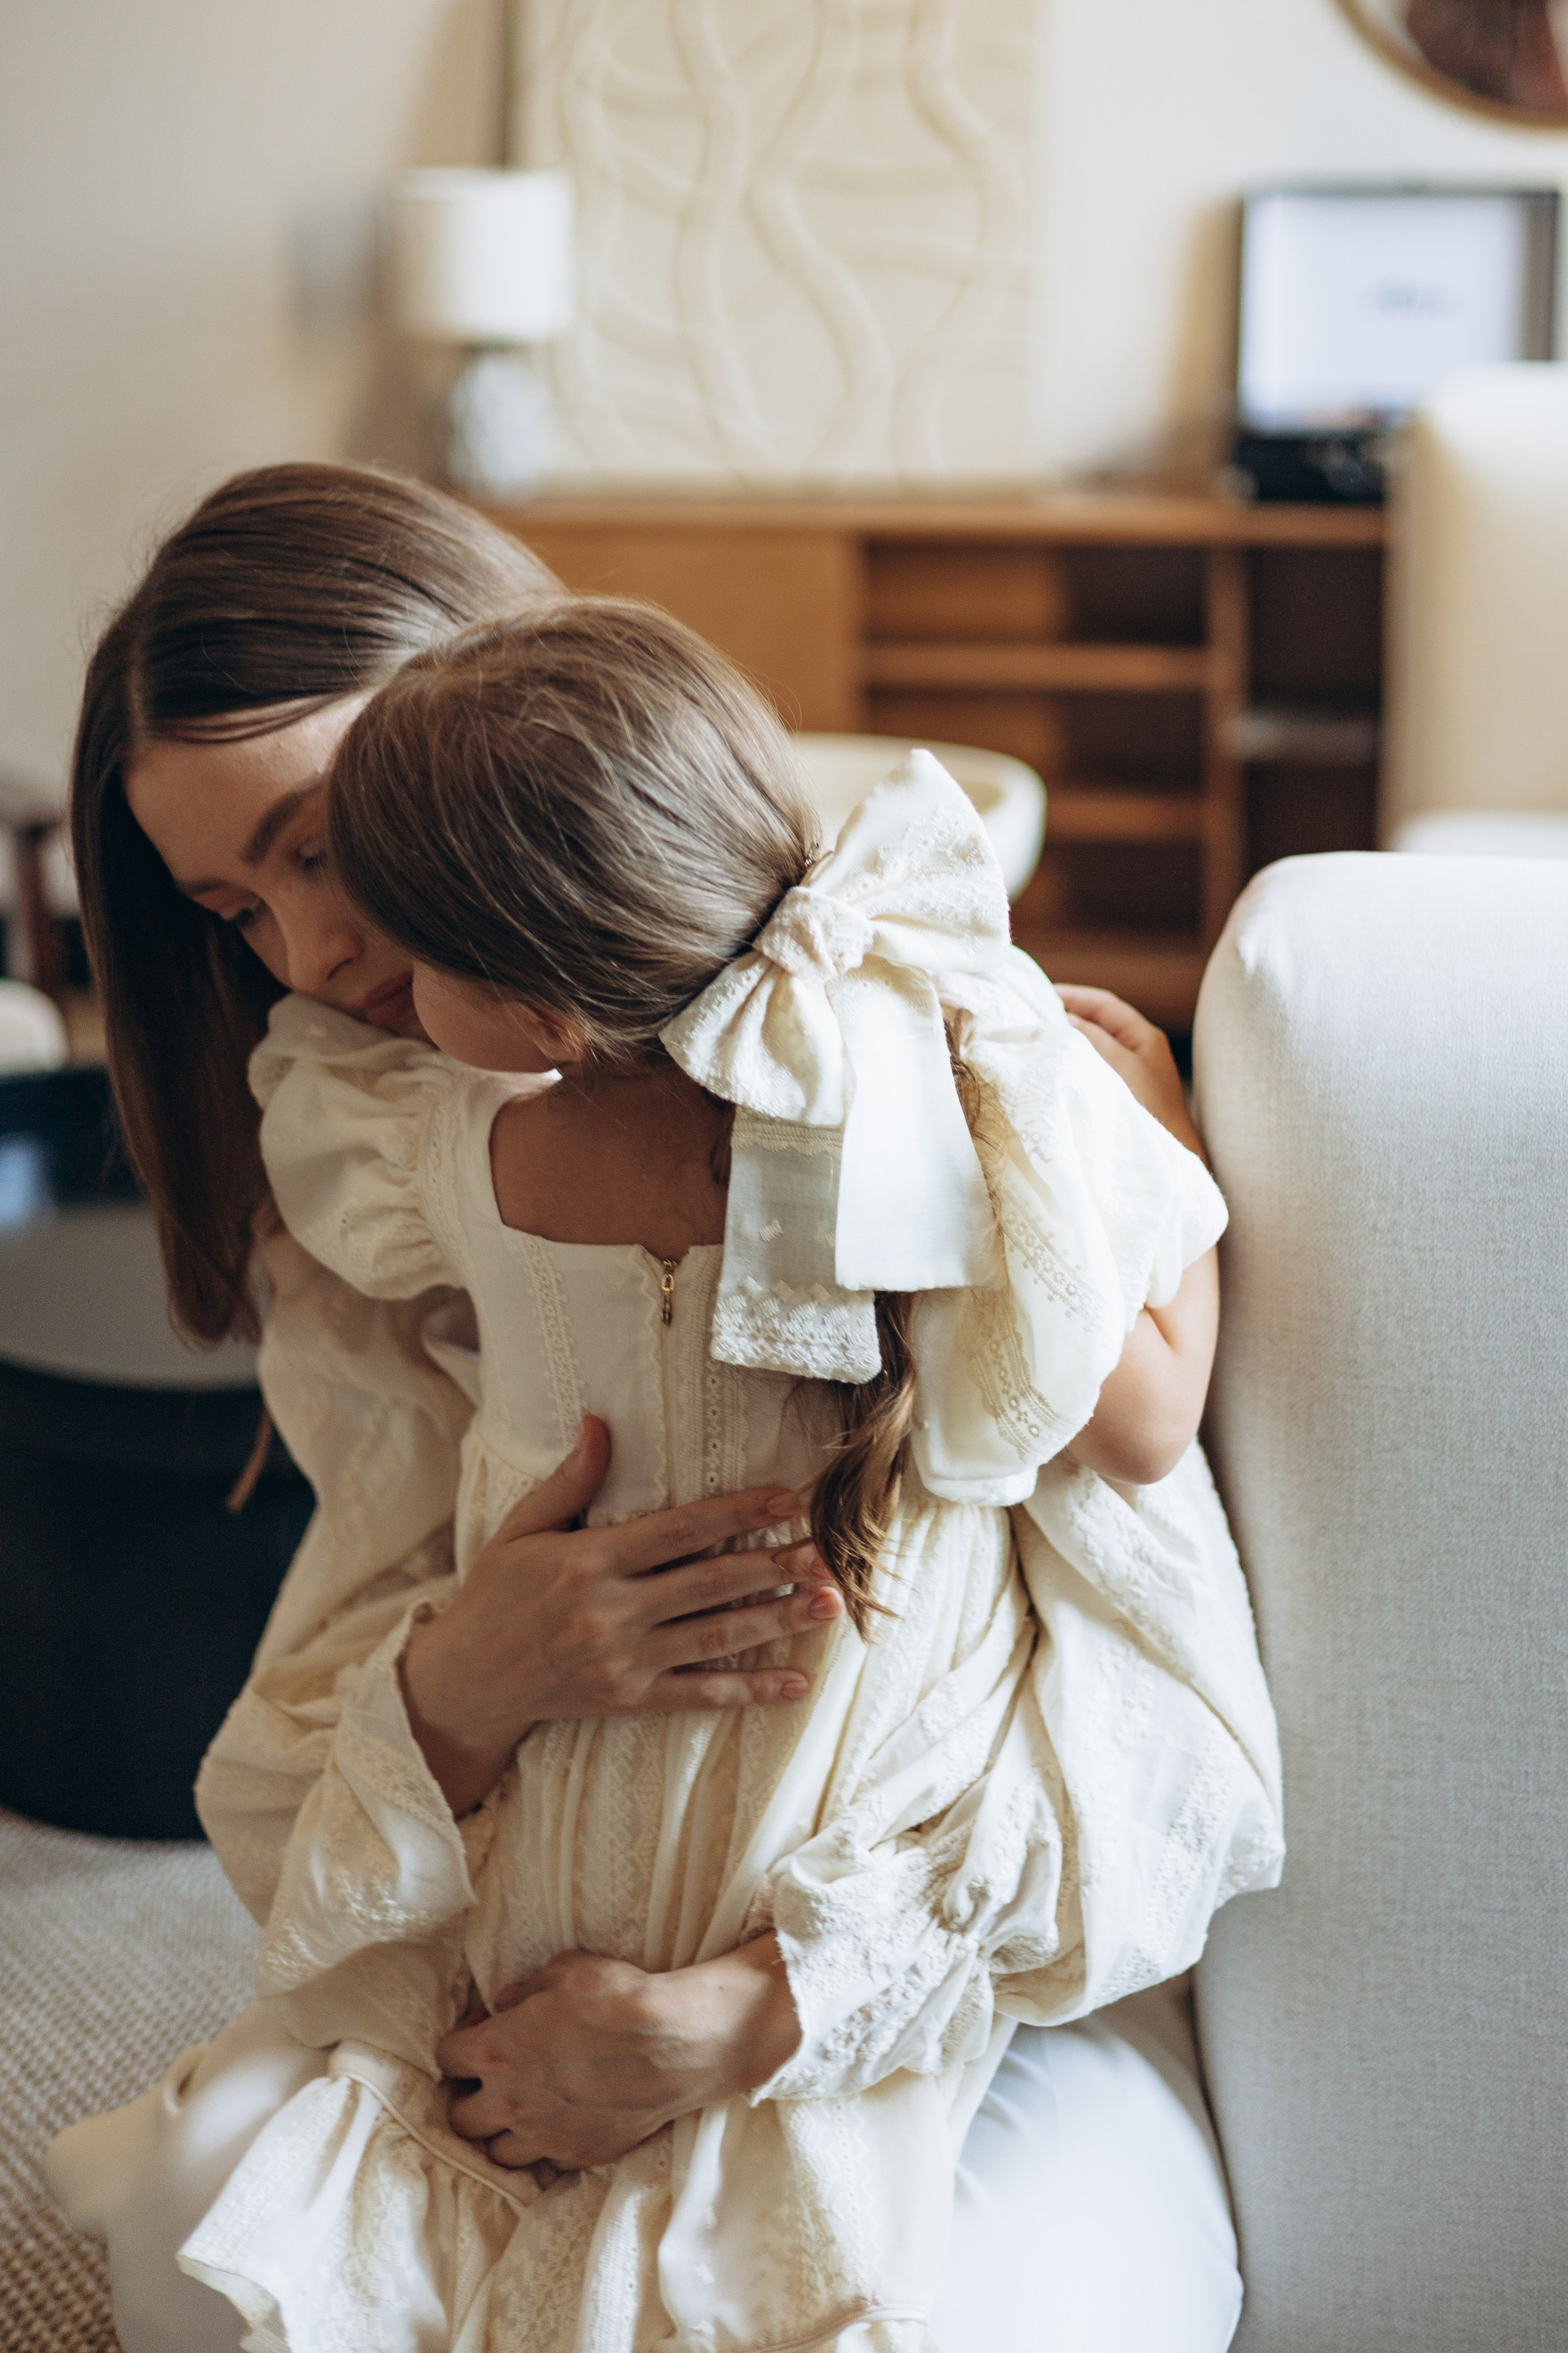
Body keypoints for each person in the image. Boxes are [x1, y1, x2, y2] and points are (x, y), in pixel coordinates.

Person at [45, 465, 1277, 2353]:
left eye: (317, 845)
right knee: (214, 2232)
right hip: (557, 1898)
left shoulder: (891, 1058)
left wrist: (753, 2012)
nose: (305, 962)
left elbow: (1113, 1625)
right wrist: (475, 1675)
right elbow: (322, 1747)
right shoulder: (381, 1145)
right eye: (233, 910)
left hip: (930, 1944)